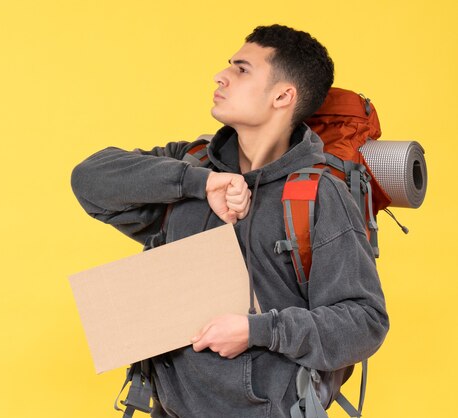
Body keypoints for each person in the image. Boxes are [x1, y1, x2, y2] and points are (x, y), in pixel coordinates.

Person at [71, 24, 389, 418]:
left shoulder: (317, 196)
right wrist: (197, 183)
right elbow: (89, 180)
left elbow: (365, 321)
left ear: (283, 96)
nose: (221, 77)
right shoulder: (192, 164)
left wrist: (258, 331)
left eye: (242, 70)